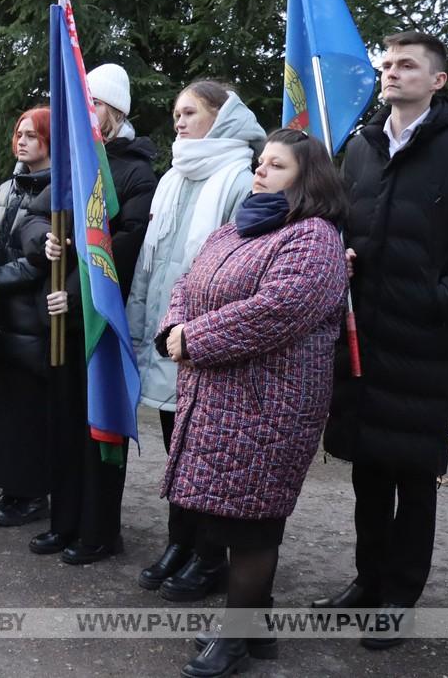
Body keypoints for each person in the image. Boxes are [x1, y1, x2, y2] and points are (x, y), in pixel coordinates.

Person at [314, 31, 448, 646]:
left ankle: (398, 599)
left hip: (420, 341)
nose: (391, 73)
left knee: (411, 473)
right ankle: (365, 582)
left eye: (407, 65)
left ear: (438, 81)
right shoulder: (362, 147)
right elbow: (347, 223)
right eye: (387, 65)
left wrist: (442, 299)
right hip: (361, 338)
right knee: (367, 471)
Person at [156, 128, 350, 677]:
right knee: (226, 514)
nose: (261, 172)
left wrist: (195, 338)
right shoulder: (236, 228)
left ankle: (237, 639)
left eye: (277, 166)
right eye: (261, 162)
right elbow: (187, 282)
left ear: (306, 179)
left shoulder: (313, 237)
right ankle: (256, 628)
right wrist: (174, 324)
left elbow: (278, 310)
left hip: (273, 402)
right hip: (217, 397)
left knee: (254, 522)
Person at [125, 81, 266, 598]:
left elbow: (236, 262)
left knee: (206, 455)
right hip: (169, 335)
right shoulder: (173, 176)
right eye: (176, 113)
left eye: (190, 113)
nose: (179, 122)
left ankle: (211, 556)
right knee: (177, 450)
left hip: (207, 342)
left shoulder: (237, 176)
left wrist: (203, 332)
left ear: (221, 117)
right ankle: (181, 543)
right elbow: (152, 262)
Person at [36, 63, 156, 564]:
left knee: (98, 426)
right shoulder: (74, 164)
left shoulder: (134, 171)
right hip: (67, 313)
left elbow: (120, 246)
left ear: (112, 112)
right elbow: (50, 217)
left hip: (102, 318)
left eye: (93, 107)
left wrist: (74, 288)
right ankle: (64, 521)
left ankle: (99, 530)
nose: (84, 117)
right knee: (63, 424)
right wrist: (47, 243)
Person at [0, 108, 53, 527]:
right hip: (3, 313)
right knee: (3, 408)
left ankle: (31, 493)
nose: (22, 141)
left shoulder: (59, 187)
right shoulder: (8, 186)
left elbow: (38, 261)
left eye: (32, 135)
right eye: (19, 134)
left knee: (28, 411)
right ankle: (10, 489)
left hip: (33, 314)